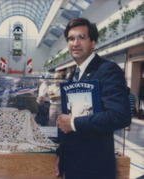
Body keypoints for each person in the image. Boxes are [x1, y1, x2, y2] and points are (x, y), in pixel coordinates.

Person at [55, 17, 131, 179]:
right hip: (73, 165)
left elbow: (121, 116)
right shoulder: (73, 76)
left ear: (93, 43)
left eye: (81, 38)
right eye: (71, 38)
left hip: (95, 169)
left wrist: (74, 123)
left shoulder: (107, 70)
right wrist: (61, 155)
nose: (75, 43)